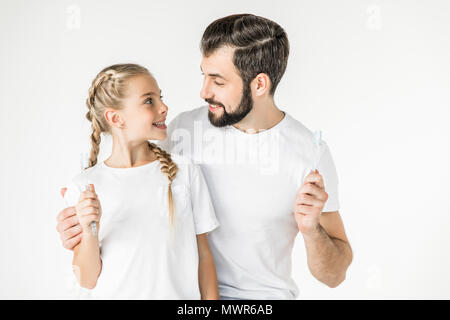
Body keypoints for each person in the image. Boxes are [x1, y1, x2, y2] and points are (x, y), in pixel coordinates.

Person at [57, 14, 353, 300]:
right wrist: (79, 227)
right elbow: (125, 190)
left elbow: (335, 275)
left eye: (218, 81)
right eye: (204, 76)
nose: (203, 91)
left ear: (259, 84)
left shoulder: (308, 153)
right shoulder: (180, 131)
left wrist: (312, 230)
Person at [61, 63, 220, 299]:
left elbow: (204, 256)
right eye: (149, 101)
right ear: (116, 118)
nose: (164, 107)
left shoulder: (184, 171)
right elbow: (87, 278)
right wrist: (89, 229)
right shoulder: (85, 187)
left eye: (160, 98)